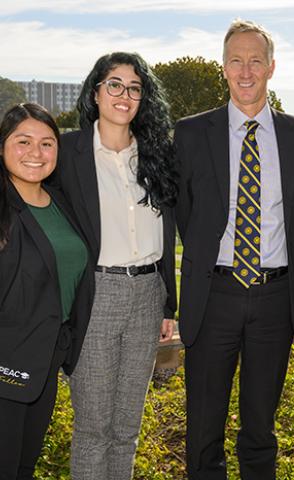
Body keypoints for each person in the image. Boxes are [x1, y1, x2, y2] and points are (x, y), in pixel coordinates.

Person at [175, 19, 294, 480]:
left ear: (271, 67)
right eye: (236, 60)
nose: (245, 70)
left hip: (276, 299)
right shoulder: (192, 134)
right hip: (213, 293)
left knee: (260, 427)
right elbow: (183, 212)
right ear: (223, 67)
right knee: (203, 427)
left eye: (255, 60)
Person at [55, 52, 177, 480]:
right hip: (96, 295)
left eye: (135, 87)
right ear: (96, 91)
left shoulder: (156, 157)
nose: (124, 95)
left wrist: (168, 306)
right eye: (115, 84)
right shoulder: (67, 152)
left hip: (148, 296)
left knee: (126, 429)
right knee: (93, 429)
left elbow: (167, 235)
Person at [0, 103, 94, 480]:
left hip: (45, 360)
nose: (35, 154)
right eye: (23, 141)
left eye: (47, 143)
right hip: (6, 362)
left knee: (24, 466)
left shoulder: (60, 202)